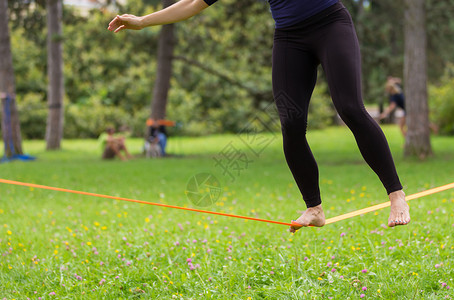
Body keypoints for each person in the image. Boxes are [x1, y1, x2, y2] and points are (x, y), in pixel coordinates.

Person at [108, 0, 411, 231]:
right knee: (291, 124)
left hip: (330, 24)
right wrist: (143, 21)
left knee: (350, 108)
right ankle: (314, 208)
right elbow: (192, 3)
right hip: (290, 38)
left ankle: (396, 195)